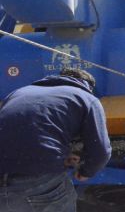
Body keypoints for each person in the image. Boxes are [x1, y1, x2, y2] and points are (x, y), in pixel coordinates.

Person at [0, 68, 111, 212]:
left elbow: (24, 132)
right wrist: (86, 172)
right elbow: (101, 151)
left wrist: (61, 155)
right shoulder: (86, 97)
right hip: (39, 182)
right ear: (87, 86)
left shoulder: (18, 93)